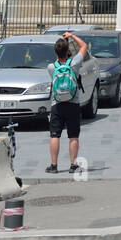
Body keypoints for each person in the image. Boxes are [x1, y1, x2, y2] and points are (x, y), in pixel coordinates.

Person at [45, 32, 89, 174]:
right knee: (73, 136)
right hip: (73, 103)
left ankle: (54, 165)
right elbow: (84, 46)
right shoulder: (75, 63)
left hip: (56, 104)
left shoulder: (51, 67)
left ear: (55, 52)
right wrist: (71, 36)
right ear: (68, 51)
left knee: (54, 135)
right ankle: (73, 165)